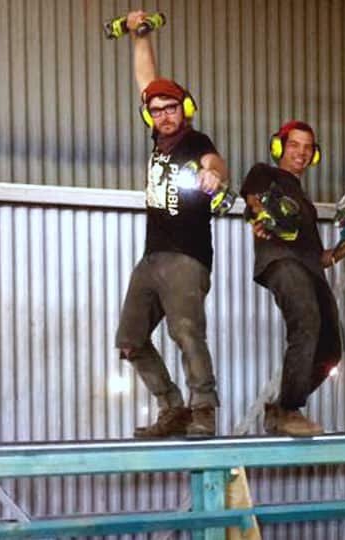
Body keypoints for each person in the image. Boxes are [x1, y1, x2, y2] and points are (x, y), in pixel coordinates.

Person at [114, 10, 230, 438]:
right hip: (152, 257)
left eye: (171, 108)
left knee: (186, 331)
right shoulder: (158, 140)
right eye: (157, 110)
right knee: (130, 340)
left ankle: (204, 409)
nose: (164, 115)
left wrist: (214, 175)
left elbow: (215, 162)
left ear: (186, 110)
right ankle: (172, 407)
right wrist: (138, 35)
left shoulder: (195, 140)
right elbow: (147, 80)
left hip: (186, 257)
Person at [241, 121, 345, 436]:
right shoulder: (265, 174)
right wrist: (260, 215)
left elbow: (319, 258)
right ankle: (290, 410)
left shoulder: (306, 205)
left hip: (309, 270)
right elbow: (253, 199)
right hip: (280, 261)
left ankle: (280, 408)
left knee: (331, 350)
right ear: (279, 147)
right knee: (306, 321)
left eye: (308, 147)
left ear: (314, 154)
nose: (301, 152)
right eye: (294, 144)